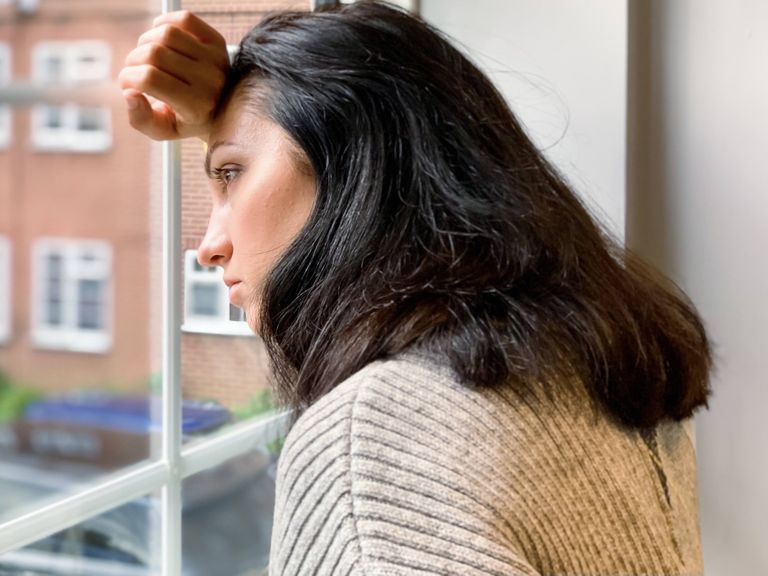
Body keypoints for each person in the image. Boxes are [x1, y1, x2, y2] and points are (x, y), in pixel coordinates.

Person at [119, 2, 713, 574]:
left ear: (355, 167)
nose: (207, 246)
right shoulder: (597, 354)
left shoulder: (371, 446)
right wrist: (229, 135)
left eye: (230, 175)